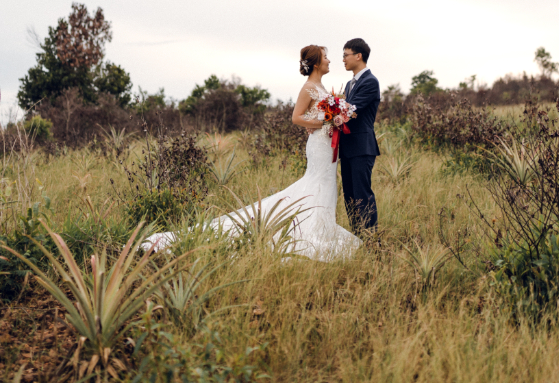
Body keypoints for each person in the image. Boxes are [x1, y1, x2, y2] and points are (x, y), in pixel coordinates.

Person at [141, 44, 360, 261]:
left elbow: (318, 118)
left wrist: (336, 120)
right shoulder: (308, 88)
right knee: (316, 184)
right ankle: (308, 230)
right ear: (315, 63)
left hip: (328, 145)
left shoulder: (323, 89)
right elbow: (296, 118)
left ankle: (321, 226)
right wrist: (325, 119)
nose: (329, 61)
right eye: (325, 57)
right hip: (318, 146)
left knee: (327, 184)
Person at [340, 38, 380, 232]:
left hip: (362, 147)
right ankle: (356, 237)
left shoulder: (370, 81)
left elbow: (351, 110)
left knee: (362, 194)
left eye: (345, 55)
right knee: (348, 194)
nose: (343, 59)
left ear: (358, 56)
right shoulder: (349, 84)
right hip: (347, 147)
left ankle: (371, 239)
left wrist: (332, 115)